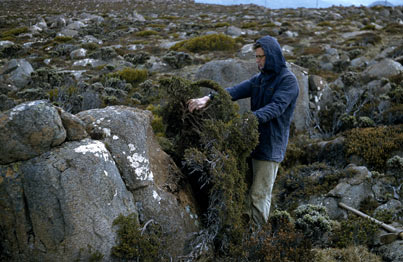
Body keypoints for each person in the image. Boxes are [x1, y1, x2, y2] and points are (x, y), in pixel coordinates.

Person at [187, 35, 299, 225]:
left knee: (259, 195)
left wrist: (250, 118)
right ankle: (245, 234)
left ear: (272, 55)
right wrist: (208, 98)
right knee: (246, 192)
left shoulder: (288, 81)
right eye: (256, 57)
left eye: (261, 57)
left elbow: (276, 107)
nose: (257, 61)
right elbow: (235, 91)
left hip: (270, 147)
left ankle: (257, 241)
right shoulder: (260, 78)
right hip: (252, 143)